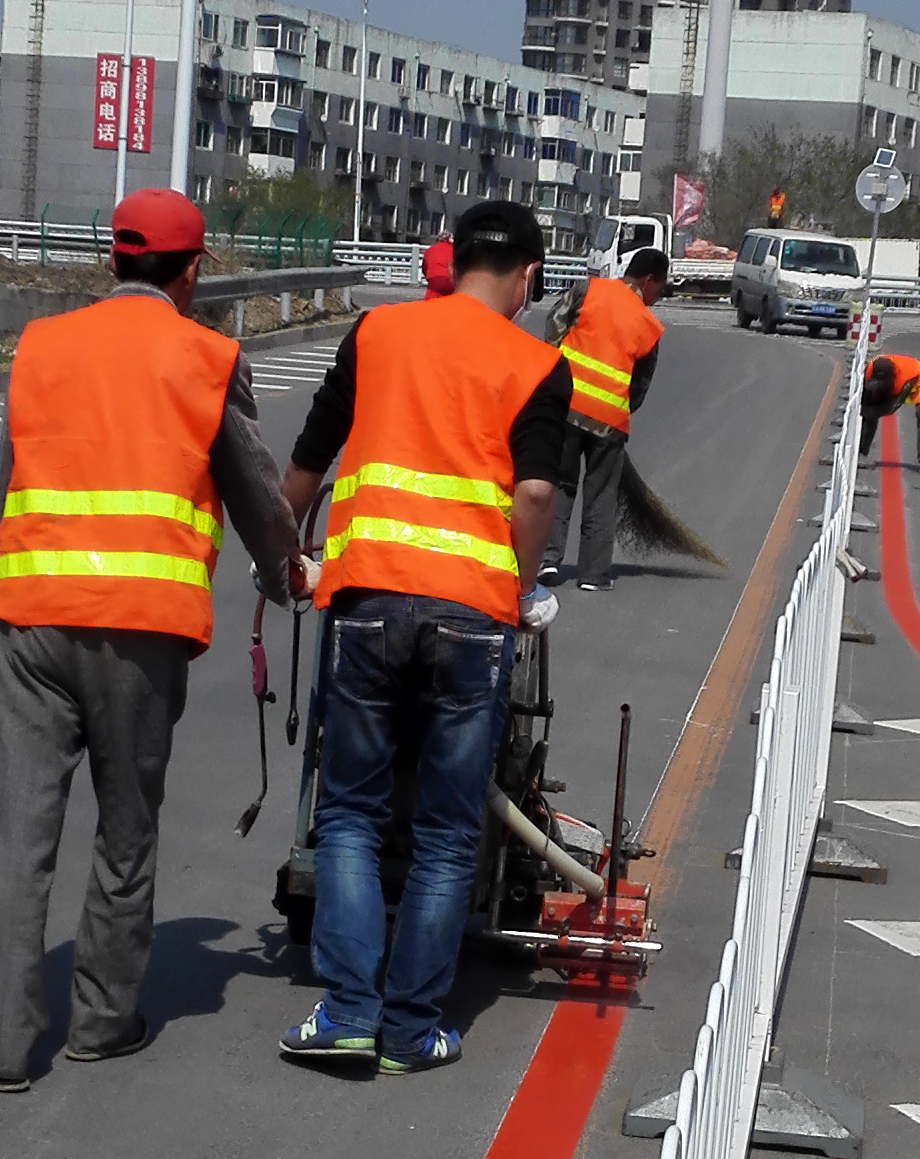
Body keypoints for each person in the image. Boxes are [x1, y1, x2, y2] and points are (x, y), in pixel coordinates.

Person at [0, 189, 307, 1092]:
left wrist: (6, 592)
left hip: (33, 615)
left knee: (21, 832)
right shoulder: (208, 357)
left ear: (113, 260)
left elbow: (7, 483)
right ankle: (103, 1023)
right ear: (191, 274)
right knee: (126, 827)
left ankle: (1, 1047)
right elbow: (257, 494)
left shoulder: (42, 344)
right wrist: (286, 579)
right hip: (142, 632)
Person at [276, 198, 570, 1077]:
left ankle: (347, 1014)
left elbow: (309, 458)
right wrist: (519, 588)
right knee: (447, 831)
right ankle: (410, 1030)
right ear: (529, 277)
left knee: (350, 815)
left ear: (456, 257)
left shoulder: (377, 333)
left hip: (366, 599)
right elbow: (536, 495)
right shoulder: (538, 364)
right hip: (472, 617)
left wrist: (280, 555)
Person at [544, 242, 668, 593]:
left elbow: (553, 327)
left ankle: (547, 560)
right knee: (600, 494)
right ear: (648, 280)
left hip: (566, 406)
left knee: (560, 483)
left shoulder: (588, 290)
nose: (658, 296)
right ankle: (593, 574)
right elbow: (640, 385)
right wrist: (619, 408)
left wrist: (555, 377)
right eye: (660, 287)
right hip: (609, 422)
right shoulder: (649, 326)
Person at [859, 344, 920, 470]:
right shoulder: (870, 368)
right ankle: (861, 453)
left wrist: (872, 411)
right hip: (897, 381)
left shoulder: (905, 378)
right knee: (868, 413)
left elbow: (890, 407)